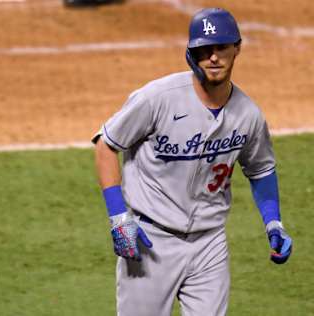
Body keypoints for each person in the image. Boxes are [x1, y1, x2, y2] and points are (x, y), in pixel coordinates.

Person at [93, 8, 292, 316]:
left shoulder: (249, 115)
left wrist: (273, 222)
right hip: (150, 241)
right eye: (204, 50)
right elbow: (106, 145)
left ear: (237, 48)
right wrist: (118, 217)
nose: (213, 57)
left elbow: (261, 168)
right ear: (191, 54)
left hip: (209, 243)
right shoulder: (158, 98)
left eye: (221, 47)